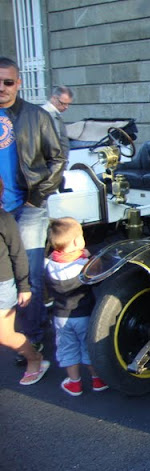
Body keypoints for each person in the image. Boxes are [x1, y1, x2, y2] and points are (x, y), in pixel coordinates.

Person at [0, 57, 66, 362]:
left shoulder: (36, 115)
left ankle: (32, 337)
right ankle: (10, 329)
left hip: (28, 205)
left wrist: (38, 196)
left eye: (8, 82)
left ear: (18, 83)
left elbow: (57, 158)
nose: (2, 88)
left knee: (28, 273)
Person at [45, 217, 108, 396]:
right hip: (84, 315)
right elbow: (98, 278)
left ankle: (74, 383)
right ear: (76, 241)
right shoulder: (84, 267)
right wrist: (91, 259)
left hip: (61, 317)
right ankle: (97, 380)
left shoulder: (49, 265)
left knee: (67, 348)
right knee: (87, 347)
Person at [0, 177, 51, 385]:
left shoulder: (4, 220)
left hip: (2, 285)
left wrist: (24, 286)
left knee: (5, 336)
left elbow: (18, 255)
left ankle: (35, 359)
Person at [42, 86, 74, 160]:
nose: (66, 107)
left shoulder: (54, 114)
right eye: (63, 103)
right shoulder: (47, 114)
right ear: (54, 98)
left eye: (68, 104)